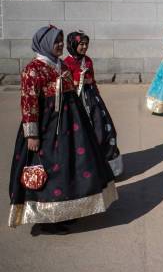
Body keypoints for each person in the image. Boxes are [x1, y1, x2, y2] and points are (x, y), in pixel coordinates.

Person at [8, 25, 118, 235]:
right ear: (45, 43)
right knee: (51, 169)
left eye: (60, 40)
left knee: (70, 166)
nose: (59, 45)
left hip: (71, 127)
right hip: (46, 128)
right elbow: (28, 102)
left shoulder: (61, 66)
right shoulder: (33, 69)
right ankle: (48, 221)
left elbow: (74, 95)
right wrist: (32, 134)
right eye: (55, 41)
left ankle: (67, 211)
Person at [64, 30, 123, 177]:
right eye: (81, 44)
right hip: (76, 102)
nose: (84, 47)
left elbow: (93, 80)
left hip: (92, 99)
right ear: (73, 44)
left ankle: (109, 168)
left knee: (105, 130)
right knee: (82, 135)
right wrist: (77, 81)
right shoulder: (66, 63)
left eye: (86, 44)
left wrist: (96, 96)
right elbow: (66, 85)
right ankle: (88, 171)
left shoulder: (88, 60)